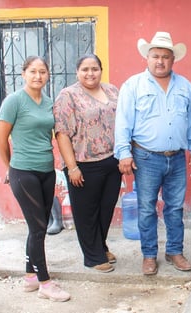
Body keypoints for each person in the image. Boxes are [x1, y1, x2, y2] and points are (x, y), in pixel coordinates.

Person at [114, 31, 191, 275]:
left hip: (176, 158)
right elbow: (122, 122)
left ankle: (174, 251)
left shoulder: (184, 86)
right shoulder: (133, 85)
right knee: (146, 208)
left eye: (165, 56)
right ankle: (149, 255)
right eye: (155, 56)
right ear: (147, 58)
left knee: (175, 208)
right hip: (145, 158)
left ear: (173, 59)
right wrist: (124, 153)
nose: (160, 61)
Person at [0, 56, 70, 301]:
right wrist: (10, 167)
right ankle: (45, 283)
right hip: (23, 171)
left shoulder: (49, 102)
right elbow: (0, 138)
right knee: (40, 228)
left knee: (35, 227)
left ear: (48, 75)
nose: (38, 76)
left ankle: (30, 277)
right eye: (33, 71)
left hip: (46, 171)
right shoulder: (14, 101)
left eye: (42, 72)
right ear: (23, 74)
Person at [53, 54, 122, 273]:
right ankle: (92, 257)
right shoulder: (68, 95)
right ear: (77, 71)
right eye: (85, 69)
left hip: (112, 161)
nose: (90, 73)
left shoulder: (112, 91)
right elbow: (62, 133)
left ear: (101, 70)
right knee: (86, 212)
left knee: (105, 209)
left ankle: (100, 245)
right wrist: (72, 167)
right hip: (83, 163)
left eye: (94, 69)